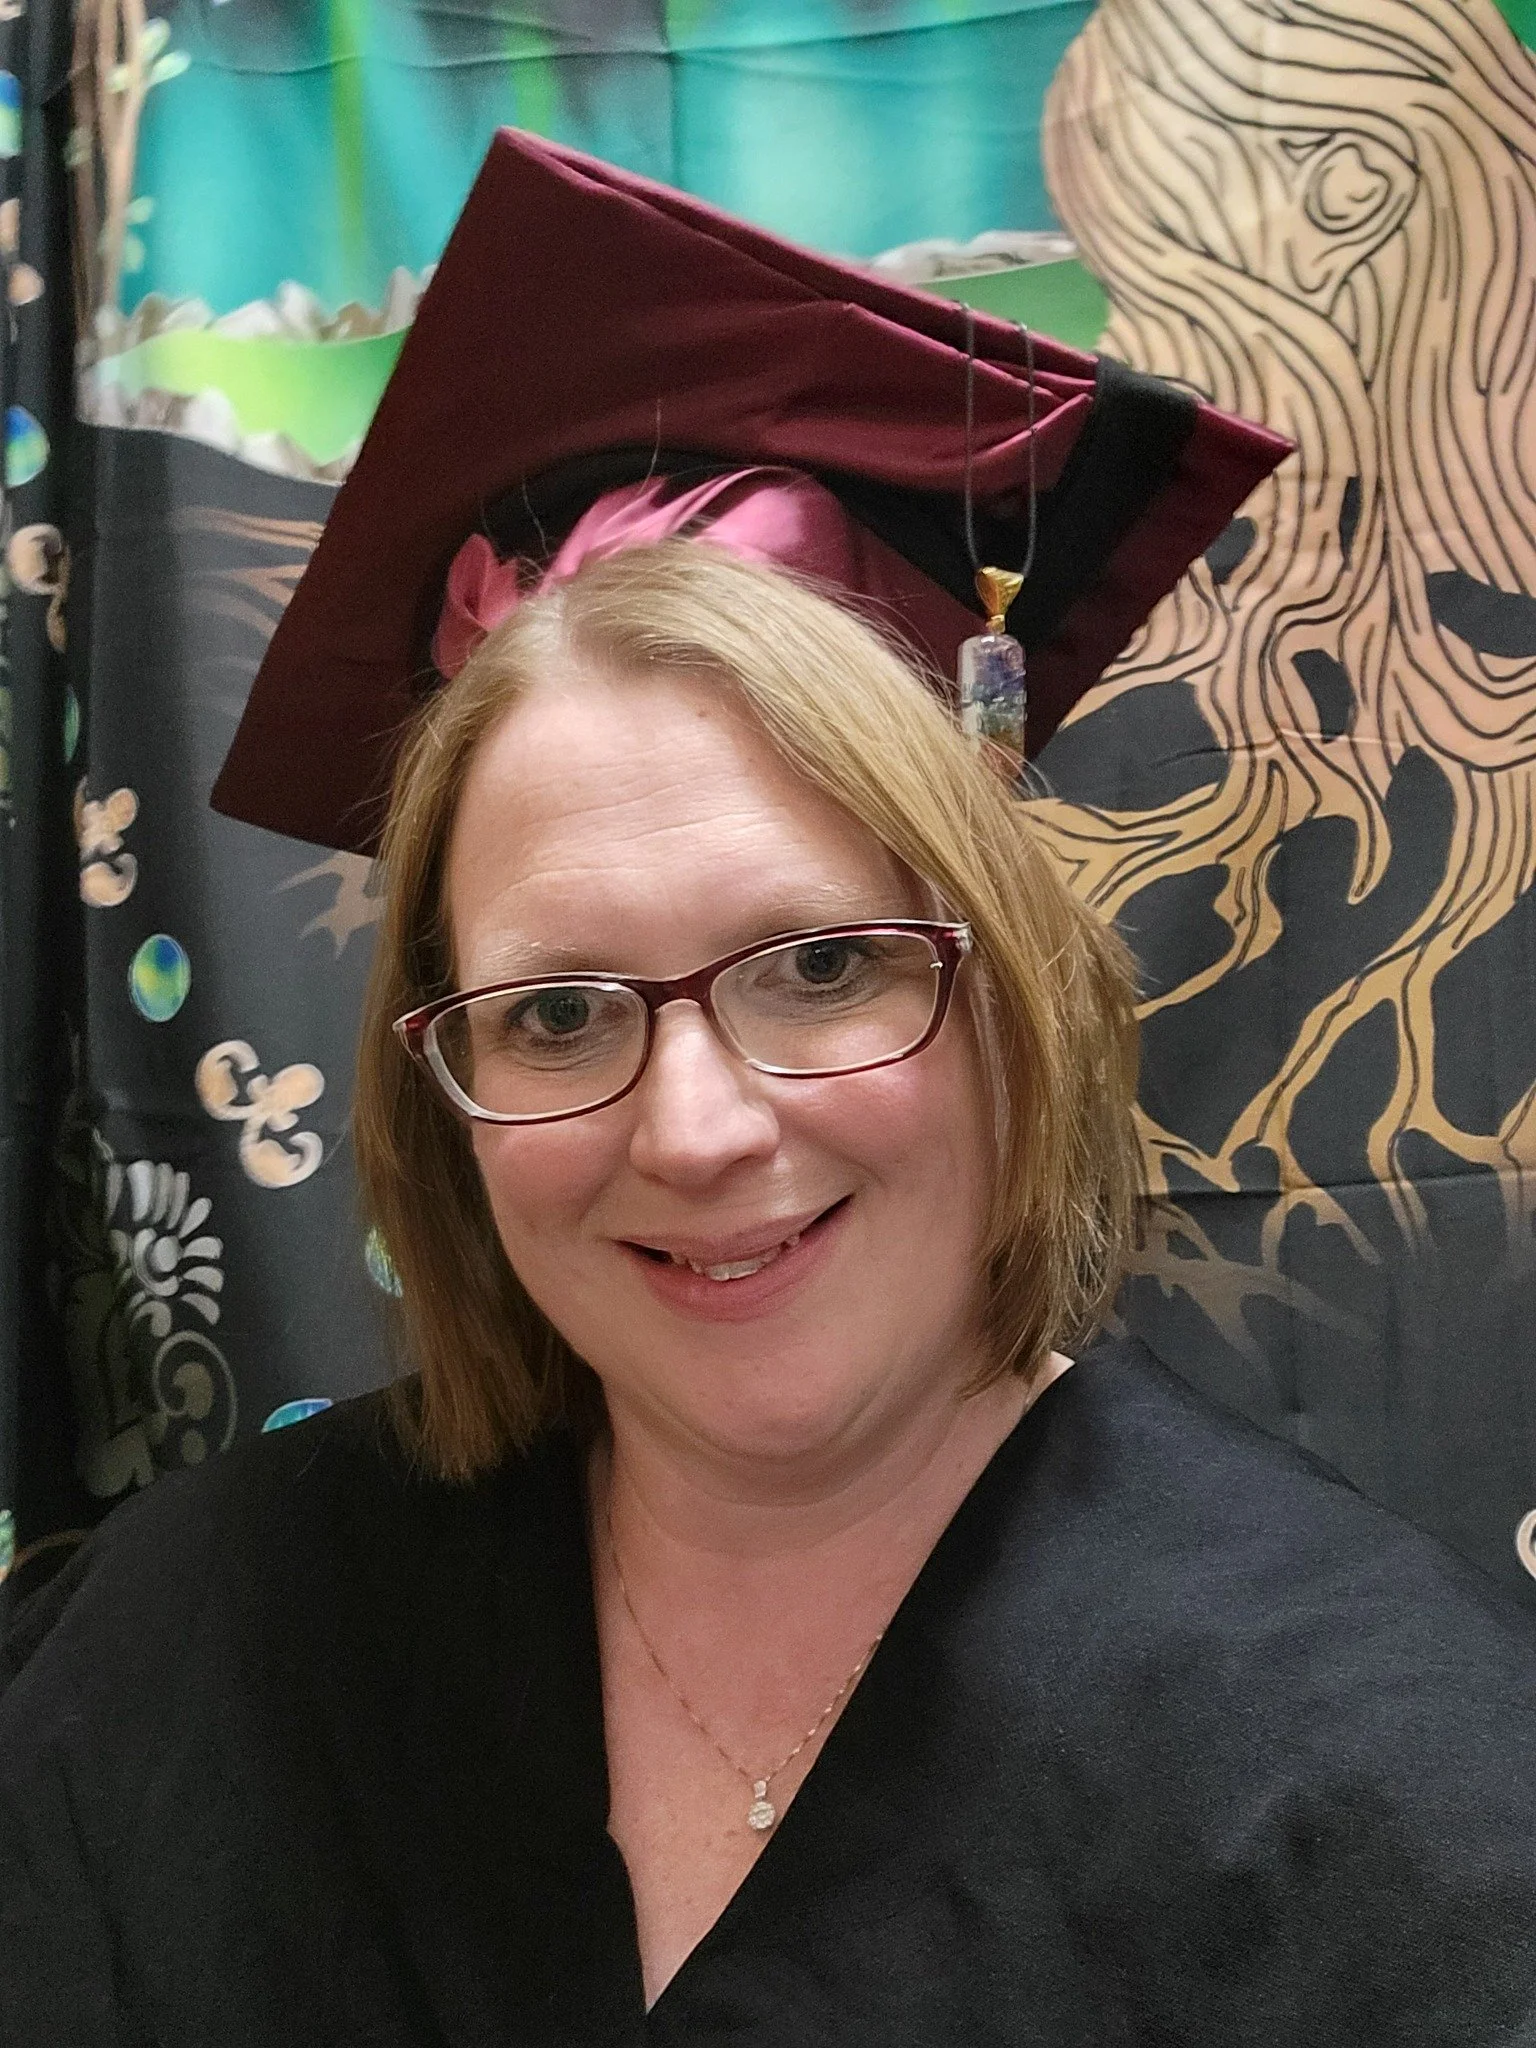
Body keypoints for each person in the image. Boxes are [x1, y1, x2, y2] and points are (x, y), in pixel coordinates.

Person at [6, 129, 1536, 2046]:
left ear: (1014, 998)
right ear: (440, 1084)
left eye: (820, 967)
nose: (700, 1130)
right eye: (559, 1011)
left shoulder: (1400, 1812)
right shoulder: (201, 1642)